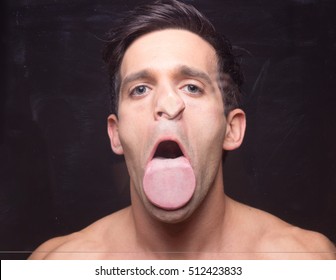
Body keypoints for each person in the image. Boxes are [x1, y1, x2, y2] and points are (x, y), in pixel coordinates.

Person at [29, 0, 335, 260]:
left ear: (232, 129)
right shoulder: (57, 266)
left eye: (192, 87)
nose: (168, 103)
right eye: (140, 89)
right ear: (116, 133)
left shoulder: (307, 262)